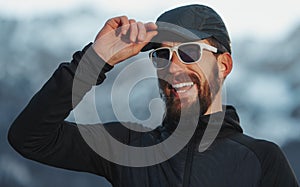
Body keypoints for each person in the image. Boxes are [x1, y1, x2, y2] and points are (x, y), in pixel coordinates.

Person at [8, 4, 299, 187]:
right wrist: (95, 61)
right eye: (161, 55)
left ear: (223, 65)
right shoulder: (128, 147)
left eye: (188, 52)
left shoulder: (262, 160)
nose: (173, 67)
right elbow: (30, 138)